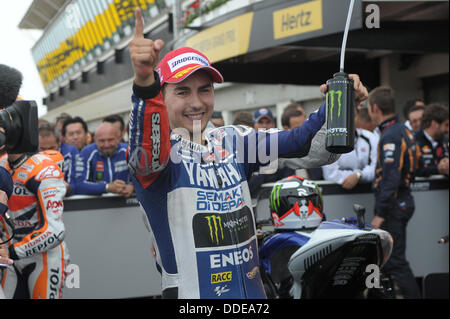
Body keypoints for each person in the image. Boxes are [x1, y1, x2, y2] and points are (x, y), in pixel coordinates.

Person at [127, 8, 367, 299]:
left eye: (205, 90)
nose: (196, 102)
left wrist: (339, 104)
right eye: (182, 92)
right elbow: (149, 149)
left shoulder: (233, 140)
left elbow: (304, 144)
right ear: (162, 97)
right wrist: (144, 86)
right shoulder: (159, 159)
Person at [367, 86, 421, 299]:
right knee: (382, 262)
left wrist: (380, 213)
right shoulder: (403, 130)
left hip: (393, 207)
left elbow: (391, 177)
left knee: (395, 262)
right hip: (400, 202)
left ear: (375, 108)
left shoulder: (391, 135)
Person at [322, 106, 378, 190]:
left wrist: (359, 175)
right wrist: (354, 177)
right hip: (337, 194)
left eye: (352, 116)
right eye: (343, 117)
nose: (347, 120)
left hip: (368, 193)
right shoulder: (329, 140)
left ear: (357, 117)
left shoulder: (371, 137)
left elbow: (376, 167)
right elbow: (331, 174)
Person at [76, 121, 133, 197]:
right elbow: (79, 185)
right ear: (95, 139)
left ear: (118, 138)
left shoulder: (129, 151)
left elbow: (145, 179)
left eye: (110, 140)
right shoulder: (87, 152)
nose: (106, 145)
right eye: (102, 141)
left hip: (127, 204)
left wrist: (133, 187)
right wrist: (107, 187)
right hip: (96, 205)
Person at [39, 123, 78, 195]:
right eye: (42, 149)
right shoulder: (32, 155)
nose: (47, 154)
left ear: (59, 142)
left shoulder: (70, 152)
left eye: (51, 148)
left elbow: (73, 187)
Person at [415, 103, 449, 177]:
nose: (448, 129)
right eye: (446, 125)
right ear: (434, 124)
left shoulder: (446, 142)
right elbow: (414, 170)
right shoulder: (414, 141)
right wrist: (438, 169)